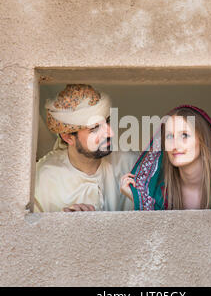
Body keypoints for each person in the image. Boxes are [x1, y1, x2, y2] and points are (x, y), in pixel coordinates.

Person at [120, 105, 211, 210]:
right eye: (169, 137)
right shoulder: (160, 191)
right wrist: (136, 197)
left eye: (185, 135)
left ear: (203, 140)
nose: (175, 146)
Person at [34, 84, 139, 213]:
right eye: (95, 129)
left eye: (107, 121)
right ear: (68, 138)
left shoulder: (132, 164)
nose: (110, 133)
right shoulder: (42, 178)